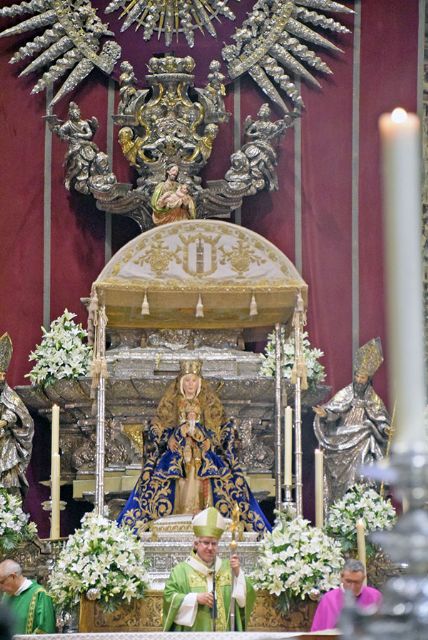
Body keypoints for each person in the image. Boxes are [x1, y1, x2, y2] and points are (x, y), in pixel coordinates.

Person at [118, 360, 270, 535]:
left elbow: (217, 432)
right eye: (187, 381)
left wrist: (206, 440)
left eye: (194, 380)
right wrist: (174, 437)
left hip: (203, 454)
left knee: (222, 481)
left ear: (199, 383)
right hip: (177, 453)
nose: (191, 384)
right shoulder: (172, 404)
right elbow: (160, 431)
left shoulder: (207, 405)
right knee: (160, 480)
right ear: (181, 383)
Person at [313, 337, 390, 505]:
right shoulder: (345, 393)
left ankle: (365, 506)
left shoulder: (374, 399)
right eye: (357, 376)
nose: (359, 380)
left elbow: (381, 419)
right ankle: (342, 507)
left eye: (363, 377)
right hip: (342, 437)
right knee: (340, 477)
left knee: (366, 465)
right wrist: (325, 414)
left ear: (368, 379)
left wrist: (385, 429)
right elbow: (334, 410)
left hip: (364, 439)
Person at [163, 506, 256, 631]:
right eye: (206, 543)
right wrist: (195, 598)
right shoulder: (180, 571)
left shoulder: (228, 568)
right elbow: (169, 599)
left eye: (214, 543)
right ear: (196, 544)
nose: (210, 548)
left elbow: (245, 598)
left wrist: (238, 573)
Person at [0, 333, 34, 497]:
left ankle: (11, 512)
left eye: (3, 375)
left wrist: (4, 421)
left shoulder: (9, 395)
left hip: (6, 445)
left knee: (9, 479)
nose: (1, 378)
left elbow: (18, 413)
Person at [311, 559, 382, 631]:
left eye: (357, 582)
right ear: (341, 577)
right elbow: (316, 633)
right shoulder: (328, 600)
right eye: (349, 581)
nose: (352, 587)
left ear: (363, 578)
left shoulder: (375, 596)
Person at [0, 559, 56, 635]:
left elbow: (45, 630)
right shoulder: (6, 597)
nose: (0, 587)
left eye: (2, 582)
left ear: (13, 576)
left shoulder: (40, 594)